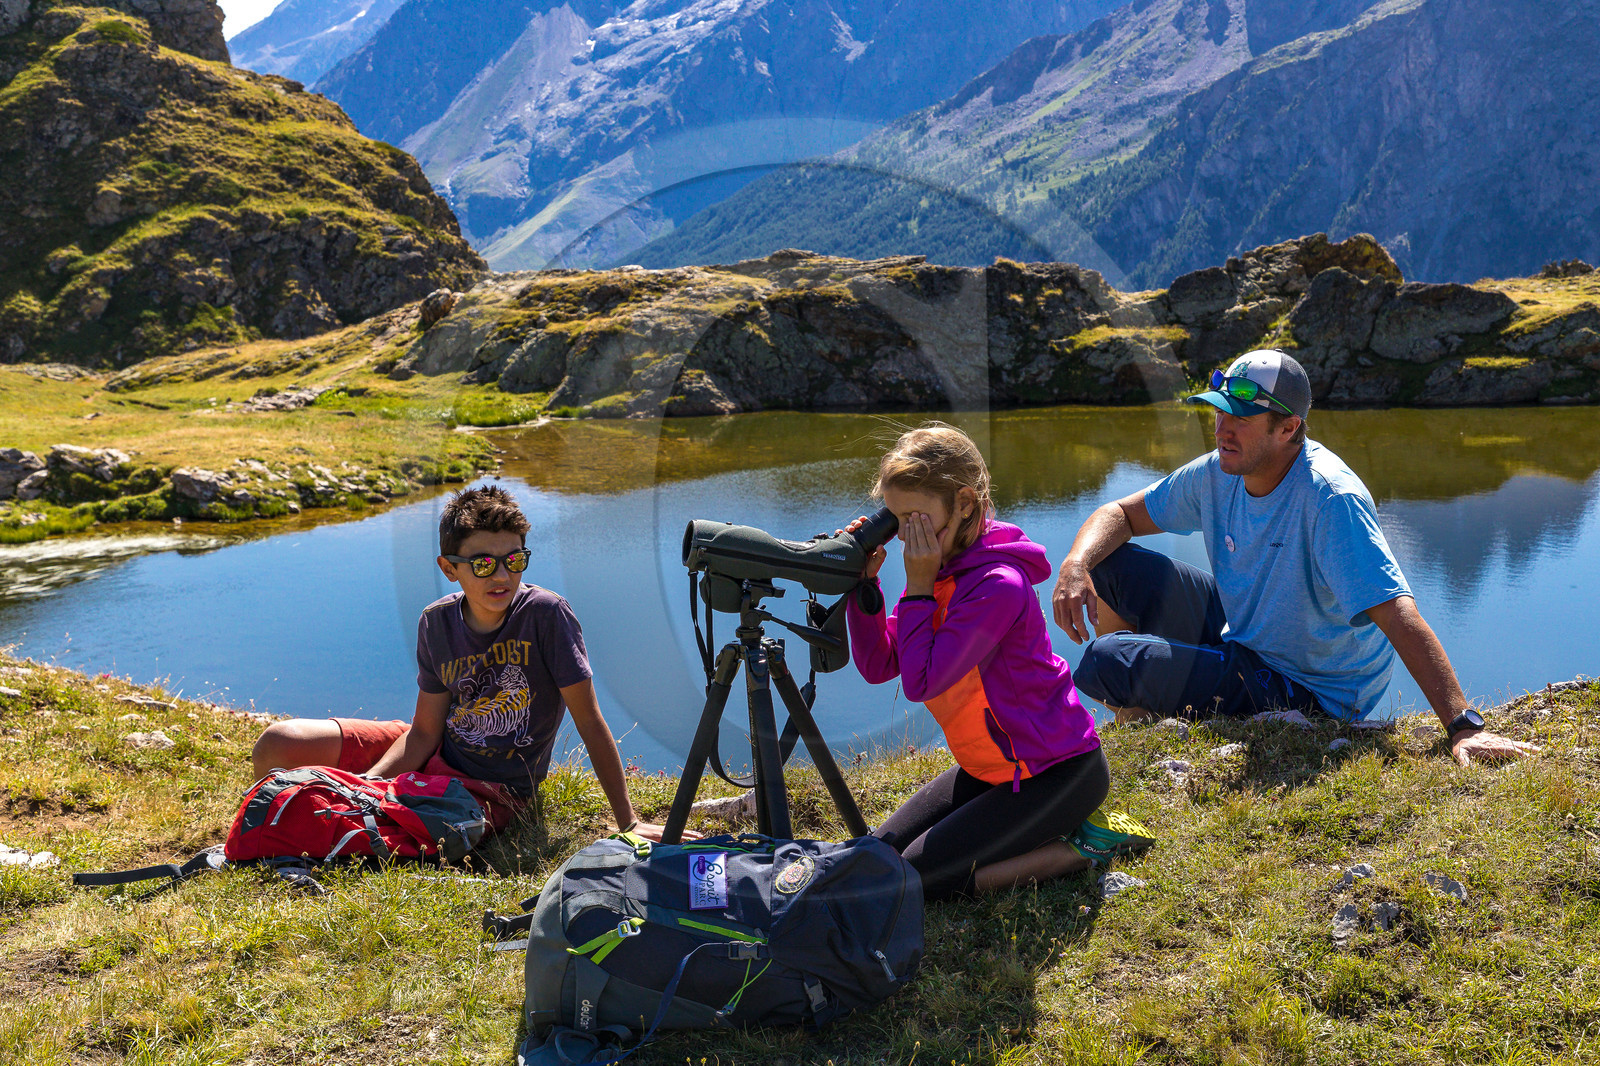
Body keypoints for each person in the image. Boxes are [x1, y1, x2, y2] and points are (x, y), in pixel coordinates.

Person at [1051, 349, 1539, 766]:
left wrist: (1462, 726)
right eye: (1219, 412)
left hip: (1309, 686)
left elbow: (1396, 611)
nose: (1222, 429)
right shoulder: (1218, 472)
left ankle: (1143, 718)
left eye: (1241, 418)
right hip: (1248, 632)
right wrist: (1074, 566)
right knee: (1106, 563)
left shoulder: (1330, 499)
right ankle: (1143, 720)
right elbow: (1121, 513)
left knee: (1107, 662)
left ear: (1288, 427)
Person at [253, 485, 679, 840]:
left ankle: (284, 827)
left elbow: (589, 720)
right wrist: (372, 782)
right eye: (483, 564)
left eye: (514, 559)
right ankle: (273, 819)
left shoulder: (546, 615)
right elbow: (424, 732)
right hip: (435, 749)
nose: (502, 576)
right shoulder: (436, 621)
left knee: (357, 826)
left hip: (492, 790)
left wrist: (628, 822)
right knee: (278, 743)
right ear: (449, 568)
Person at [842, 424, 1152, 902]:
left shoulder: (997, 585)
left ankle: (1085, 846)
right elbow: (880, 663)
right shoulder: (941, 574)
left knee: (912, 882)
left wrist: (918, 585)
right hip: (990, 770)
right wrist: (864, 586)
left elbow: (922, 681)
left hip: (1058, 775)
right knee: (873, 855)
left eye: (917, 520)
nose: (907, 536)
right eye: (896, 520)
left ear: (965, 503)